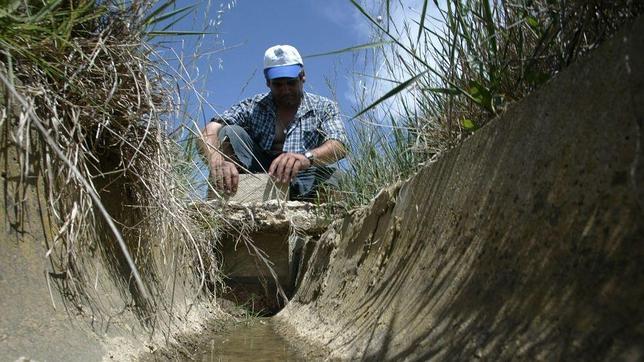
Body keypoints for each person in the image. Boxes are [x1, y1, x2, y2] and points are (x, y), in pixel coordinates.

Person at [200, 44, 348, 201]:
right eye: (278, 84)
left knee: (336, 178)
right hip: (256, 173)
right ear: (268, 82)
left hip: (301, 176)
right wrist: (217, 159)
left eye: (290, 82)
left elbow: (339, 145)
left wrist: (306, 158)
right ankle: (229, 187)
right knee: (229, 131)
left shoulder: (324, 107)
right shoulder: (252, 106)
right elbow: (211, 129)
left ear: (302, 76)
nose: (285, 90)